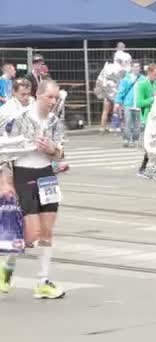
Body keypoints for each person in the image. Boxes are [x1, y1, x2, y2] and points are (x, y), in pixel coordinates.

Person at [0, 80, 66, 299]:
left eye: (56, 98)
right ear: (38, 95)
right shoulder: (19, 119)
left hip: (46, 176)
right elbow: (4, 151)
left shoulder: (56, 122)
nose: (53, 102)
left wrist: (53, 150)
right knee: (31, 235)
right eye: (49, 97)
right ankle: (7, 266)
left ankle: (42, 282)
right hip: (24, 175)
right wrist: (5, 183)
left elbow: (60, 153)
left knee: (47, 233)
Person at [136, 64, 156, 180]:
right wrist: (154, 99)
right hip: (147, 118)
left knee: (155, 145)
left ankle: (146, 168)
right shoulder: (142, 85)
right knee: (150, 145)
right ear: (149, 73)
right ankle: (150, 168)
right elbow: (139, 103)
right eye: (155, 74)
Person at [115, 60, 144, 147]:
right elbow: (121, 91)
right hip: (128, 104)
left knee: (137, 124)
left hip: (138, 104)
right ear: (131, 68)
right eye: (134, 66)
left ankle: (135, 140)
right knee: (127, 122)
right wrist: (118, 102)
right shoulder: (126, 79)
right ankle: (127, 139)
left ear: (140, 68)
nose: (136, 68)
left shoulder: (143, 79)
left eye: (138, 66)